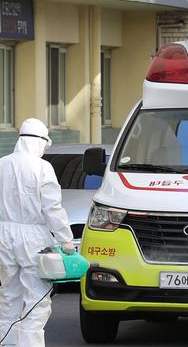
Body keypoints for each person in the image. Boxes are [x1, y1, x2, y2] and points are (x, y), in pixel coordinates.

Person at [0, 118, 74, 347]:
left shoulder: (2, 164)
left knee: (8, 297)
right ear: (40, 141)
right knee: (37, 299)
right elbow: (52, 208)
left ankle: (7, 343)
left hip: (3, 234)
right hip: (34, 239)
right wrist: (66, 240)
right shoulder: (42, 167)